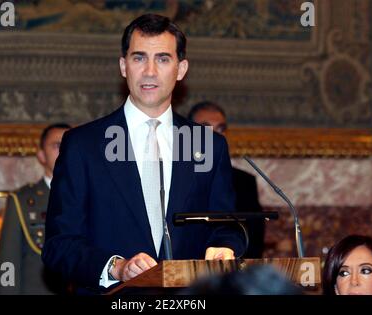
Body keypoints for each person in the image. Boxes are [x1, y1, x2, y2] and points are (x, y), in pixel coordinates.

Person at [42, 14, 246, 294]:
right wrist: (117, 267)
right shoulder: (83, 145)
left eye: (162, 59)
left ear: (181, 68)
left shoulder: (207, 145)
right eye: (139, 58)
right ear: (123, 66)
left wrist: (224, 247)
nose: (150, 71)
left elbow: (226, 226)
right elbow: (58, 245)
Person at [0, 123, 71, 295]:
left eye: (70, 145)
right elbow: (9, 262)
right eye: (57, 145)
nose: (65, 151)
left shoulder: (93, 197)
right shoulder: (22, 201)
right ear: (41, 156)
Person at [188, 101, 265, 258]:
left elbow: (254, 238)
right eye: (205, 128)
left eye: (221, 129)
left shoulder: (244, 182)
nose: (216, 136)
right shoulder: (176, 177)